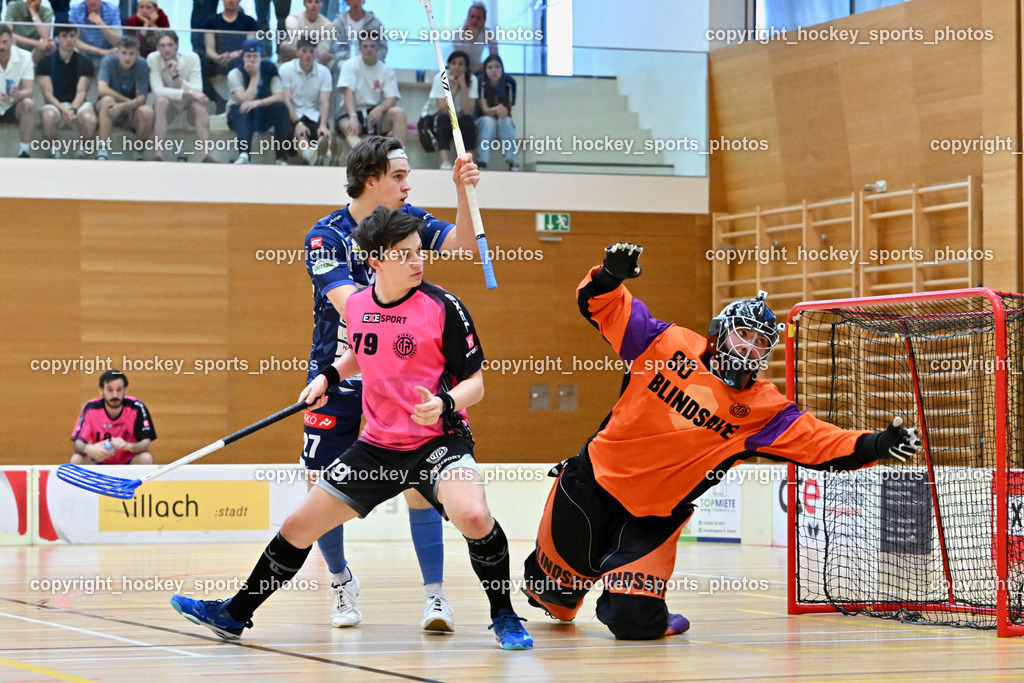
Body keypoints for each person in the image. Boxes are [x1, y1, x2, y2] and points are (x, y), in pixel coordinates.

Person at [170, 205, 533, 650]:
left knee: (474, 516)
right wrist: (328, 376)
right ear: (375, 261)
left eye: (419, 252)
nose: (417, 261)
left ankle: (504, 615)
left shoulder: (444, 307)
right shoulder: (358, 305)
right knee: (297, 526)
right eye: (404, 254)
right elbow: (362, 351)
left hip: (439, 442)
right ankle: (233, 614)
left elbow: (476, 384)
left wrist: (444, 403)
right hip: (377, 447)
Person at [521, 242, 923, 640]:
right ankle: (560, 594)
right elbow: (603, 307)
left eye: (760, 342)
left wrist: (877, 444)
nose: (749, 347)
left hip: (652, 521)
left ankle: (662, 619)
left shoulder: (765, 411)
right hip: (591, 485)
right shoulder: (664, 342)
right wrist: (610, 276)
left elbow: (820, 443)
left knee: (634, 624)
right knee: (551, 600)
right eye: (742, 334)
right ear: (719, 333)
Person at [295, 136, 482, 632]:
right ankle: (340, 582)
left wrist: (463, 191)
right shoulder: (325, 237)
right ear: (371, 179)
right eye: (398, 177)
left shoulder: (408, 222)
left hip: (402, 376)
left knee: (418, 485)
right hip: (341, 371)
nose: (406, 186)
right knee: (321, 481)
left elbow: (462, 245)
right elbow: (352, 306)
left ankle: (435, 596)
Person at [147, 30, 213, 162]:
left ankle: (206, 156)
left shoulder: (192, 58)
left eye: (170, 45)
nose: (167, 49)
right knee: (160, 102)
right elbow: (158, 91)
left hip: (189, 106)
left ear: (177, 45)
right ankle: (158, 156)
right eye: (162, 46)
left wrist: (176, 76)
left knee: (200, 104)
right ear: (157, 48)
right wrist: (186, 92)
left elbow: (198, 90)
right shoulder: (153, 59)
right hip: (169, 107)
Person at [70, 369, 156, 465]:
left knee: (146, 458)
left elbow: (146, 444)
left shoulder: (137, 407)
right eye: (110, 390)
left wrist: (127, 446)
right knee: (76, 459)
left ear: (125, 390)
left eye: (119, 390)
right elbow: (77, 444)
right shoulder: (90, 408)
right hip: (98, 462)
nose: (115, 395)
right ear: (101, 390)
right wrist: (89, 448)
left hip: (127, 463)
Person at [226, 38, 291, 164]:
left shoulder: (270, 68)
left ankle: (280, 158)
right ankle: (244, 156)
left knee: (281, 108)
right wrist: (254, 76)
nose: (251, 60)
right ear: (242, 57)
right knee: (244, 110)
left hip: (262, 113)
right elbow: (244, 99)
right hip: (238, 115)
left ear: (261, 57)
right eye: (248, 56)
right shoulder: (235, 73)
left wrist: (258, 103)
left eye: (255, 56)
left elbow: (280, 96)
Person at [37, 25, 98, 158]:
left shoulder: (85, 62)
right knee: (48, 116)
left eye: (72, 36)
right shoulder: (45, 62)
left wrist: (73, 109)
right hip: (55, 105)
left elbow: (82, 92)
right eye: (64, 36)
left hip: (78, 105)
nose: (68, 40)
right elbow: (47, 94)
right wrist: (63, 109)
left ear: (76, 37)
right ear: (57, 39)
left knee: (90, 119)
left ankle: (81, 153)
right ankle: (53, 152)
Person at [334, 36, 403, 150]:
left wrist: (380, 108)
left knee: (399, 113)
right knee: (349, 127)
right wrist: (353, 116)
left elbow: (392, 97)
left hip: (374, 114)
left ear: (378, 48)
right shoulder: (349, 65)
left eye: (372, 46)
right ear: (360, 48)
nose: (369, 50)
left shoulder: (386, 70)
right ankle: (366, 156)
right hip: (350, 112)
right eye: (365, 46)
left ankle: (397, 156)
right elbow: (347, 92)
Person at [95, 36, 153, 161]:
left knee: (147, 111)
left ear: (137, 53)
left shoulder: (142, 64)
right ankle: (102, 149)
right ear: (117, 52)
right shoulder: (108, 61)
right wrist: (127, 103)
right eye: (124, 53)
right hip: (109, 106)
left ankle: (139, 152)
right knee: (107, 101)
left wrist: (125, 106)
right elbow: (102, 90)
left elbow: (142, 98)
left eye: (132, 53)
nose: (127, 58)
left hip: (131, 108)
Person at [201, 0, 258, 114]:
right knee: (200, 63)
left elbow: (249, 46)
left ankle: (242, 102)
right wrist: (217, 57)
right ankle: (219, 101)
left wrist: (236, 54)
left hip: (239, 58)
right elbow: (209, 48)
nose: (230, 1)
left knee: (246, 63)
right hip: (218, 60)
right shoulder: (211, 21)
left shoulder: (249, 21)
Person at [279, 38, 330, 165]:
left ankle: (324, 157)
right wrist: (298, 123)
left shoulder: (324, 72)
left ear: (316, 54)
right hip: (292, 113)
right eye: (304, 51)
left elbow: (324, 102)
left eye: (311, 51)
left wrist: (323, 125)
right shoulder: (286, 69)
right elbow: (287, 100)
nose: (308, 55)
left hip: (313, 113)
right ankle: (310, 156)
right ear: (297, 52)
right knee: (301, 133)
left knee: (324, 135)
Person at [426, 50, 475, 170]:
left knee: (468, 121)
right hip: (437, 117)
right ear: (448, 65)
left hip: (460, 117)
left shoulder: (472, 79)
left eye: (461, 64)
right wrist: (455, 87)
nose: (457, 67)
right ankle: (445, 162)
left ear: (466, 67)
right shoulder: (440, 77)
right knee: (444, 119)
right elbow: (443, 109)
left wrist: (463, 85)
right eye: (453, 63)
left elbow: (468, 110)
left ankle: (468, 162)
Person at [475, 54, 517, 171]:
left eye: (497, 67)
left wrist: (503, 112)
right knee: (489, 122)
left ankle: (511, 161)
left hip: (501, 119)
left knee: (506, 121)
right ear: (485, 70)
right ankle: (482, 161)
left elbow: (508, 109)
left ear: (502, 68)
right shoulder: (480, 82)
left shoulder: (510, 82)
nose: (494, 70)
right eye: (490, 67)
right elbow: (485, 110)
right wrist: (496, 110)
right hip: (483, 120)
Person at [0, 23, 36, 158]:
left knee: (29, 104)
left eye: (5, 42)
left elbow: (29, 90)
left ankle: (24, 152)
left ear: (12, 41)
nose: (1, 47)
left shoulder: (25, 56)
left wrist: (17, 94)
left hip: (13, 104)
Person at [330, 0, 386, 65]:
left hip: (371, 62)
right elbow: (334, 50)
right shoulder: (338, 24)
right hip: (345, 62)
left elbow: (383, 48)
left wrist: (371, 60)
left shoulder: (375, 23)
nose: (355, 1)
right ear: (346, 1)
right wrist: (351, 57)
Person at [68, 0, 122, 67]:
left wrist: (100, 23)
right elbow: (73, 40)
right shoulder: (75, 10)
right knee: (71, 50)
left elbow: (117, 41)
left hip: (108, 54)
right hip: (84, 52)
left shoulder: (112, 10)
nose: (93, 1)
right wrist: (101, 52)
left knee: (120, 51)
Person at [278, 0, 333, 65]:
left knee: (328, 55)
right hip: (297, 53)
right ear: (304, 4)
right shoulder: (293, 19)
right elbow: (296, 42)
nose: (313, 5)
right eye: (310, 2)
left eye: (317, 2)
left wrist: (313, 53)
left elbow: (323, 48)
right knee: (285, 46)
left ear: (322, 4)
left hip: (317, 57)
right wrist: (308, 52)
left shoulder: (327, 24)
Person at [451, 1, 495, 76]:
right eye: (472, 16)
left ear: (484, 20)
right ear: (468, 17)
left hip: (479, 70)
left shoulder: (489, 33)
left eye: (478, 18)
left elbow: (494, 57)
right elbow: (461, 58)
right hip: (459, 70)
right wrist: (471, 39)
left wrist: (484, 65)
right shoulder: (458, 33)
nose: (474, 20)